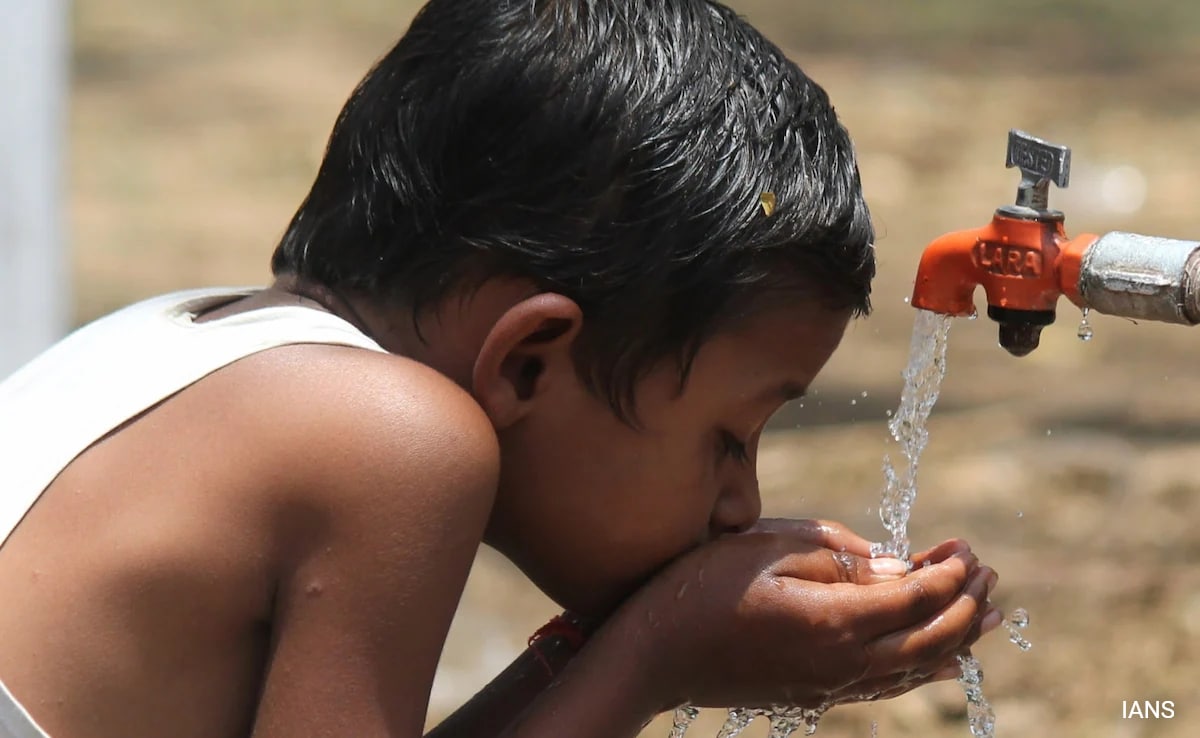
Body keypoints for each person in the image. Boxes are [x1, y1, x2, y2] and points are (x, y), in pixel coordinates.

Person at [0, 1, 1002, 736]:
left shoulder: (168, 347)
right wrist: (658, 655)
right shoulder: (394, 439)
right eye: (728, 439)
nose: (741, 505)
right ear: (526, 363)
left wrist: (606, 648)